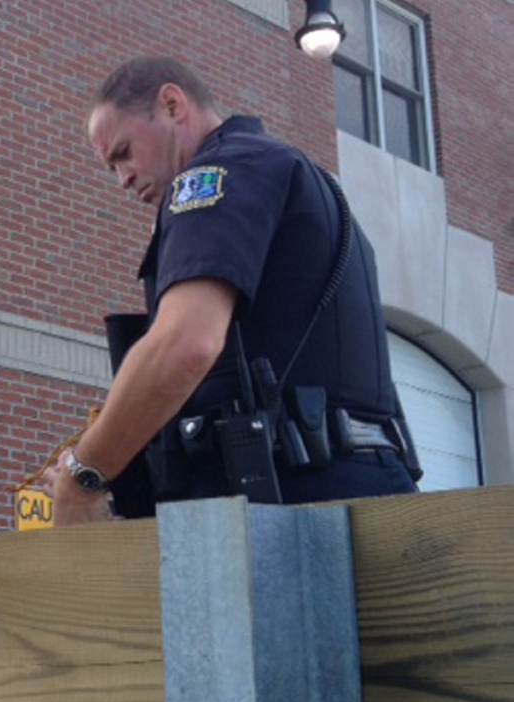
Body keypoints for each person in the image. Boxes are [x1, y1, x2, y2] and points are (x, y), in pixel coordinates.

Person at [43, 56, 418, 524]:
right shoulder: (288, 173)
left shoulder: (217, 173)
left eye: (123, 152)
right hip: (355, 488)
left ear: (172, 105)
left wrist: (83, 478)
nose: (122, 178)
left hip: (295, 509)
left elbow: (185, 343)